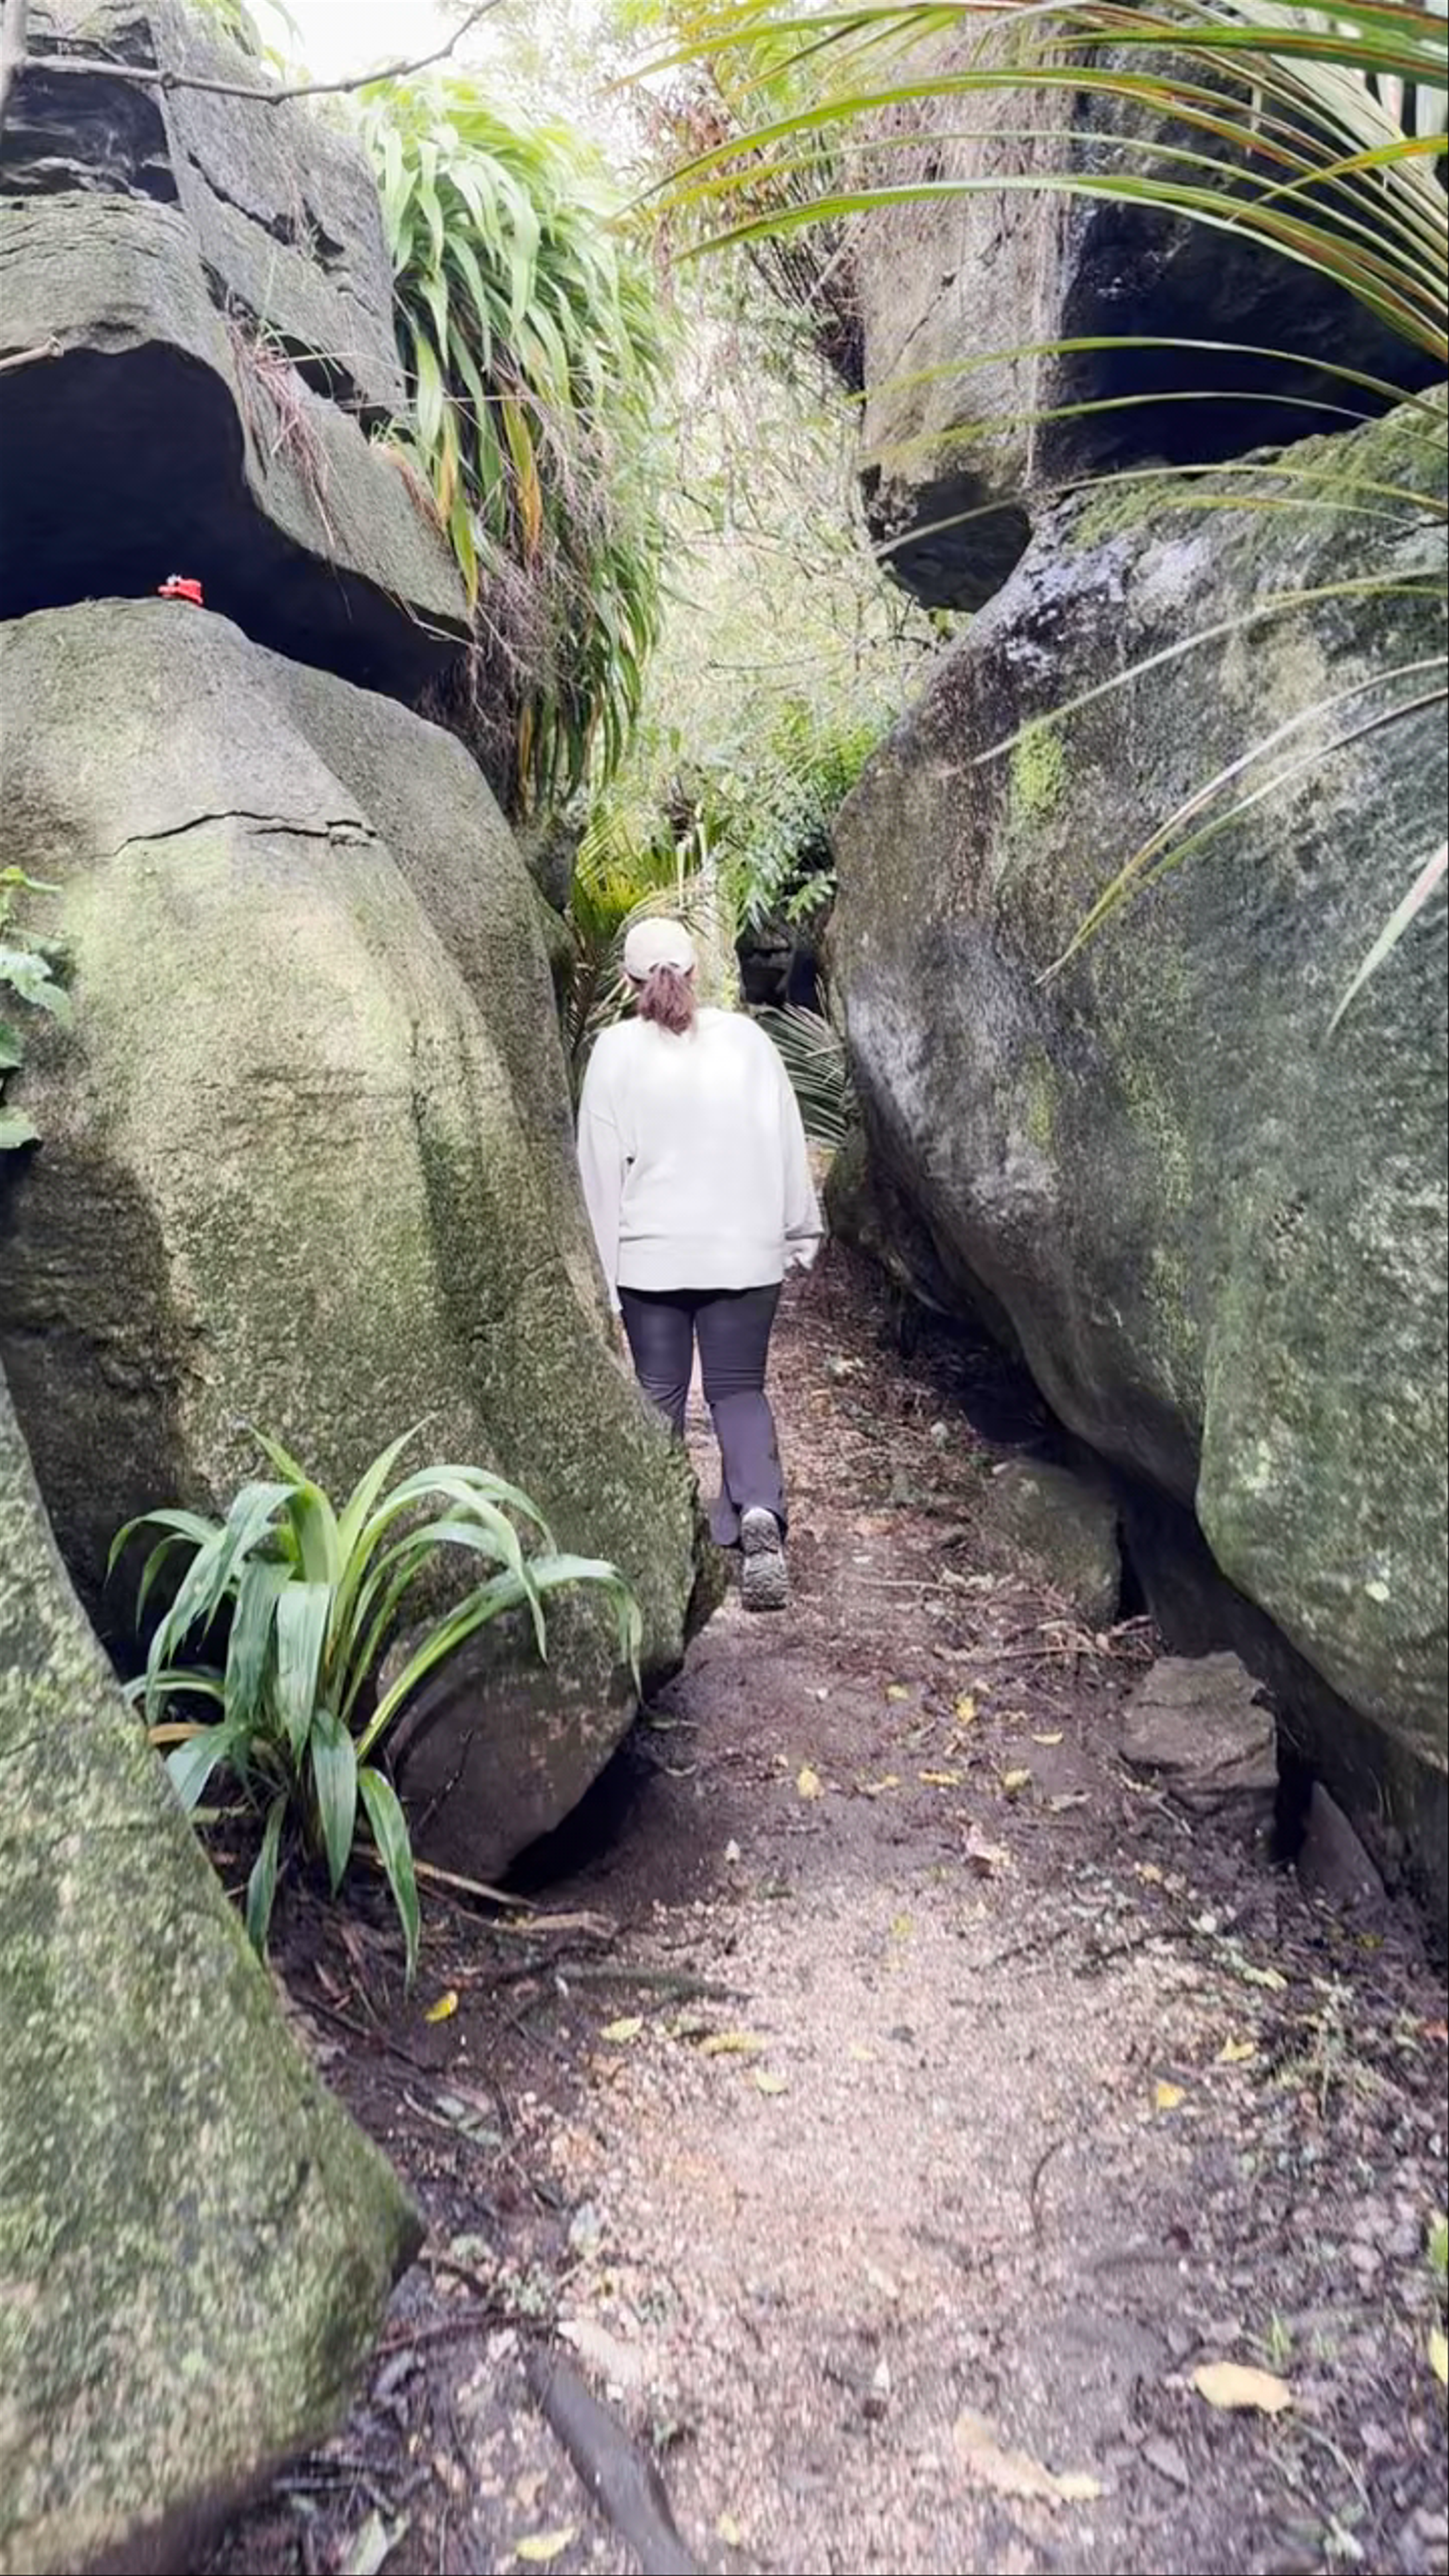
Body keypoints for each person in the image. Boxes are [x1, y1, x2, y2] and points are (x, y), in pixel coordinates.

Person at [577, 917, 822, 1610]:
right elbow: (786, 1138)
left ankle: (655, 1542)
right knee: (738, 1388)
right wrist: (798, 1230)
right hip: (745, 1253)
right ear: (695, 973)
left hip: (652, 1258)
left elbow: (599, 1170)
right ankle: (756, 1516)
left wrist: (604, 1271)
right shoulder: (748, 1041)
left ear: (629, 984)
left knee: (660, 1392)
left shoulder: (615, 1051)